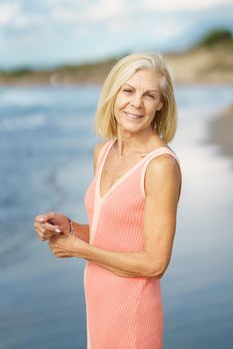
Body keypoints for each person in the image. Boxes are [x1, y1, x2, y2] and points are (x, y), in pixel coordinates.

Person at [33, 52, 182, 349]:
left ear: (160, 103)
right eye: (128, 90)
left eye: (149, 95)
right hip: (99, 306)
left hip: (133, 313)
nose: (136, 103)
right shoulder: (102, 153)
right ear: (113, 94)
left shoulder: (160, 166)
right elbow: (112, 234)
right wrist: (69, 228)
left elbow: (155, 263)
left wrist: (79, 250)